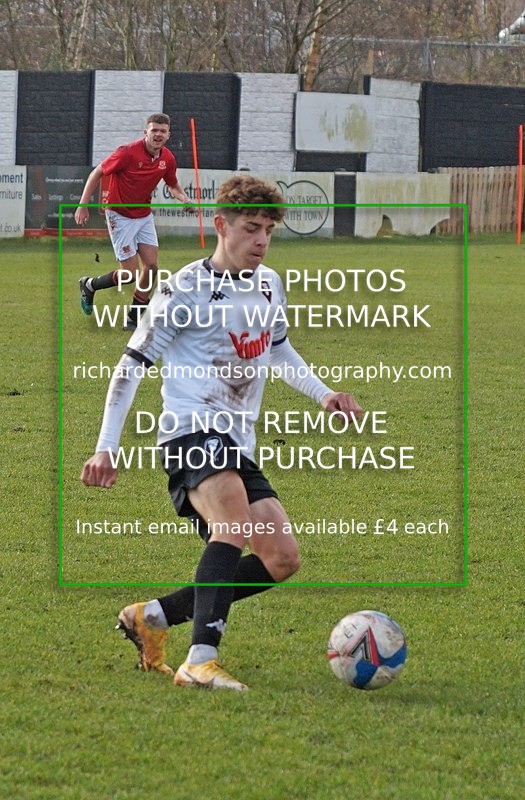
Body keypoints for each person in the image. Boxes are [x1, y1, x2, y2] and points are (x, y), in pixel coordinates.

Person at [81, 174, 362, 691]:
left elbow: (277, 348)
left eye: (268, 232)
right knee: (231, 522)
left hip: (237, 441)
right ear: (220, 225)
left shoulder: (268, 285)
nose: (260, 241)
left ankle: (152, 618)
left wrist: (324, 394)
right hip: (190, 431)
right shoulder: (182, 289)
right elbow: (131, 364)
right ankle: (200, 662)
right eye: (251, 228)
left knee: (281, 559)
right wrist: (106, 448)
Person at [74, 112, 193, 330]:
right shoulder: (127, 152)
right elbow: (96, 173)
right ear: (145, 132)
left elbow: (172, 184)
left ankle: (134, 319)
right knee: (129, 274)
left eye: (162, 131)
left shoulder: (167, 158)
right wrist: (83, 205)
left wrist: (183, 198)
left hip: (143, 215)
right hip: (119, 215)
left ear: (168, 135)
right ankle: (90, 285)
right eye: (154, 130)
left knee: (152, 266)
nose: (158, 134)